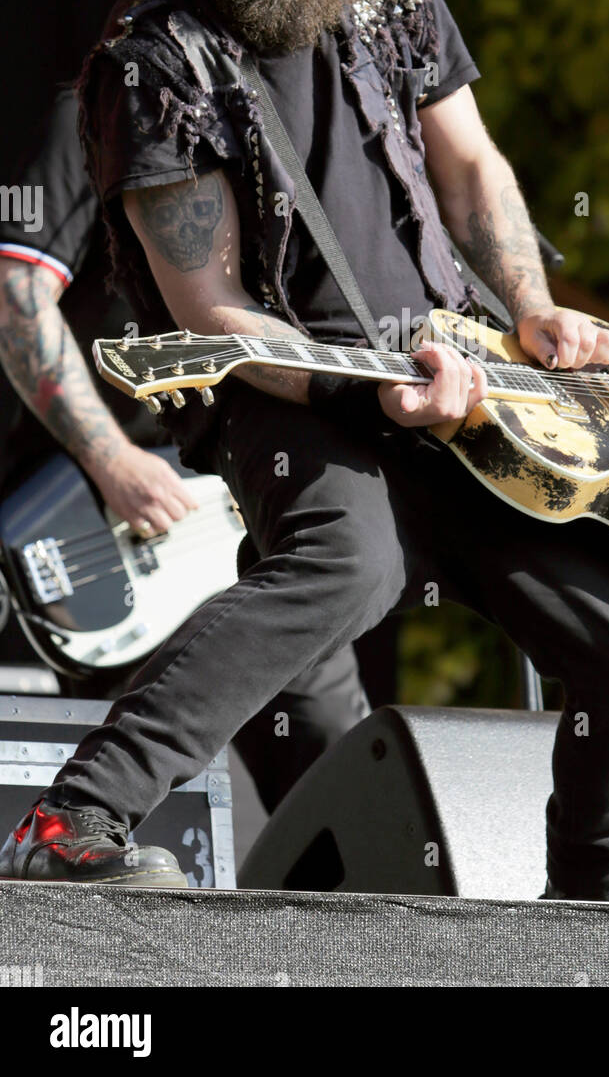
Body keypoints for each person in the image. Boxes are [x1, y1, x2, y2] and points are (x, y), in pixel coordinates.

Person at [0, 0, 609, 900]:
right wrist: (369, 393)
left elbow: (469, 166)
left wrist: (529, 309)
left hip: (464, 390)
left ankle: (598, 893)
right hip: (295, 400)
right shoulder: (148, 66)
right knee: (349, 565)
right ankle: (72, 822)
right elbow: (213, 315)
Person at [0, 88, 374, 811]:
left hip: (270, 519)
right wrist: (111, 460)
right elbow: (15, 290)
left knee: (337, 782)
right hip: (128, 521)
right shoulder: (103, 112)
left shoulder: (301, 138)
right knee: (159, 812)